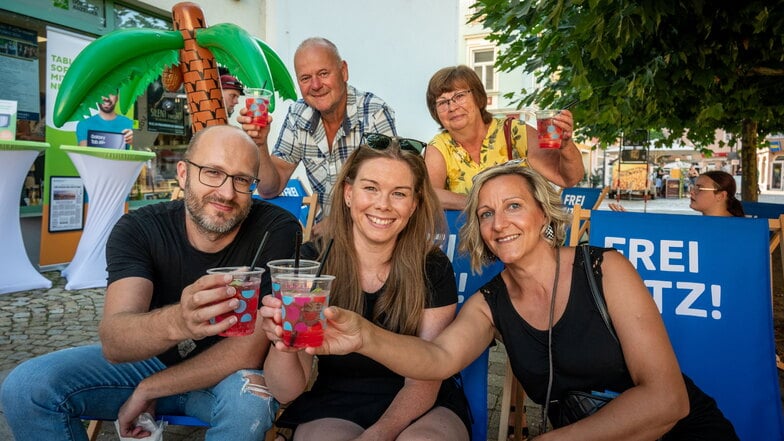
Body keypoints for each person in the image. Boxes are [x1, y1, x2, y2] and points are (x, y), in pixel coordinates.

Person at [303, 163, 738, 440]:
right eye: (486, 213)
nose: (499, 223)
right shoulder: (490, 302)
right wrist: (364, 336)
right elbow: (436, 359)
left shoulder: (605, 269)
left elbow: (668, 400)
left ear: (544, 215)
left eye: (513, 206)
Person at [1, 125, 302, 440]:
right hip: (144, 365)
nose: (226, 192)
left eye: (241, 180)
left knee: (249, 405)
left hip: (226, 378)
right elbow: (115, 341)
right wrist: (181, 320)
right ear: (183, 173)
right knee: (26, 388)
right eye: (212, 172)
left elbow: (248, 351)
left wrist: (152, 387)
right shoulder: (140, 229)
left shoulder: (276, 230)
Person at [260, 135, 470, 441]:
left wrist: (378, 434)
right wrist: (283, 345)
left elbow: (426, 376)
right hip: (337, 400)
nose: (382, 205)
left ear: (414, 205)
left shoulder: (432, 267)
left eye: (399, 193)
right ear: (348, 193)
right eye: (370, 188)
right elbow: (286, 390)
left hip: (423, 400)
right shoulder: (312, 264)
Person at [239, 37, 397, 236]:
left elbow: (385, 188)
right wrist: (259, 144)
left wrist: (338, 223)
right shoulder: (298, 114)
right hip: (328, 238)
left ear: (343, 71)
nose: (315, 85)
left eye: (323, 73)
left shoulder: (373, 112)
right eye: (305, 78)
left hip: (375, 232)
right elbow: (270, 189)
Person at [423, 65, 584, 210]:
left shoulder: (514, 131)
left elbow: (568, 178)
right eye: (442, 102)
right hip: (468, 238)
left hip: (524, 234)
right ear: (435, 111)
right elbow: (429, 194)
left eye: (459, 96)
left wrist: (566, 146)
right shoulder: (439, 146)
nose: (452, 107)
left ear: (478, 98)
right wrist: (481, 203)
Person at [609, 170, 744, 217]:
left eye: (699, 188)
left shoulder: (743, 231)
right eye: (693, 186)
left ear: (721, 196)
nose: (692, 191)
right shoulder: (698, 224)